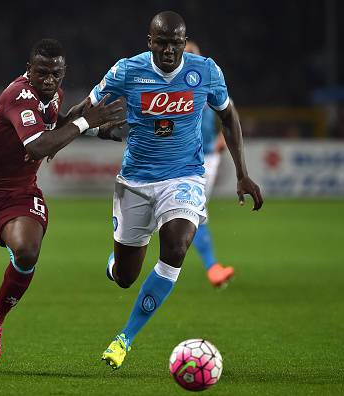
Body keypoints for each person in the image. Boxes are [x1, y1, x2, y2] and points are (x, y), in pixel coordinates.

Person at [87, 11, 263, 369]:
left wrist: (243, 174)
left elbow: (228, 115)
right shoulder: (126, 71)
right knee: (125, 277)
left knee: (177, 245)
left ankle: (125, 338)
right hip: (135, 182)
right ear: (149, 42)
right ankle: (115, 265)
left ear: (185, 42)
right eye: (161, 43)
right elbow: (89, 109)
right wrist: (84, 131)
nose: (169, 50)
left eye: (175, 43)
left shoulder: (206, 71)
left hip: (184, 177)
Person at [0, 39, 123, 372]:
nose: (48, 80)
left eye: (55, 74)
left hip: (19, 191)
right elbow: (40, 144)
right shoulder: (18, 95)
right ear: (29, 70)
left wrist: (89, 127)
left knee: (27, 250)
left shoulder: (53, 95)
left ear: (63, 72)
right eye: (41, 72)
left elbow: (52, 132)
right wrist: (86, 122)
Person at [184, 39, 235, 287]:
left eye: (193, 54)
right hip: (180, 157)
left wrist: (223, 139)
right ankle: (212, 266)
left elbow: (229, 114)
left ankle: (212, 266)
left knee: (194, 211)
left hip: (207, 159)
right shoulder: (171, 84)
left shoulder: (208, 80)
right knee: (190, 211)